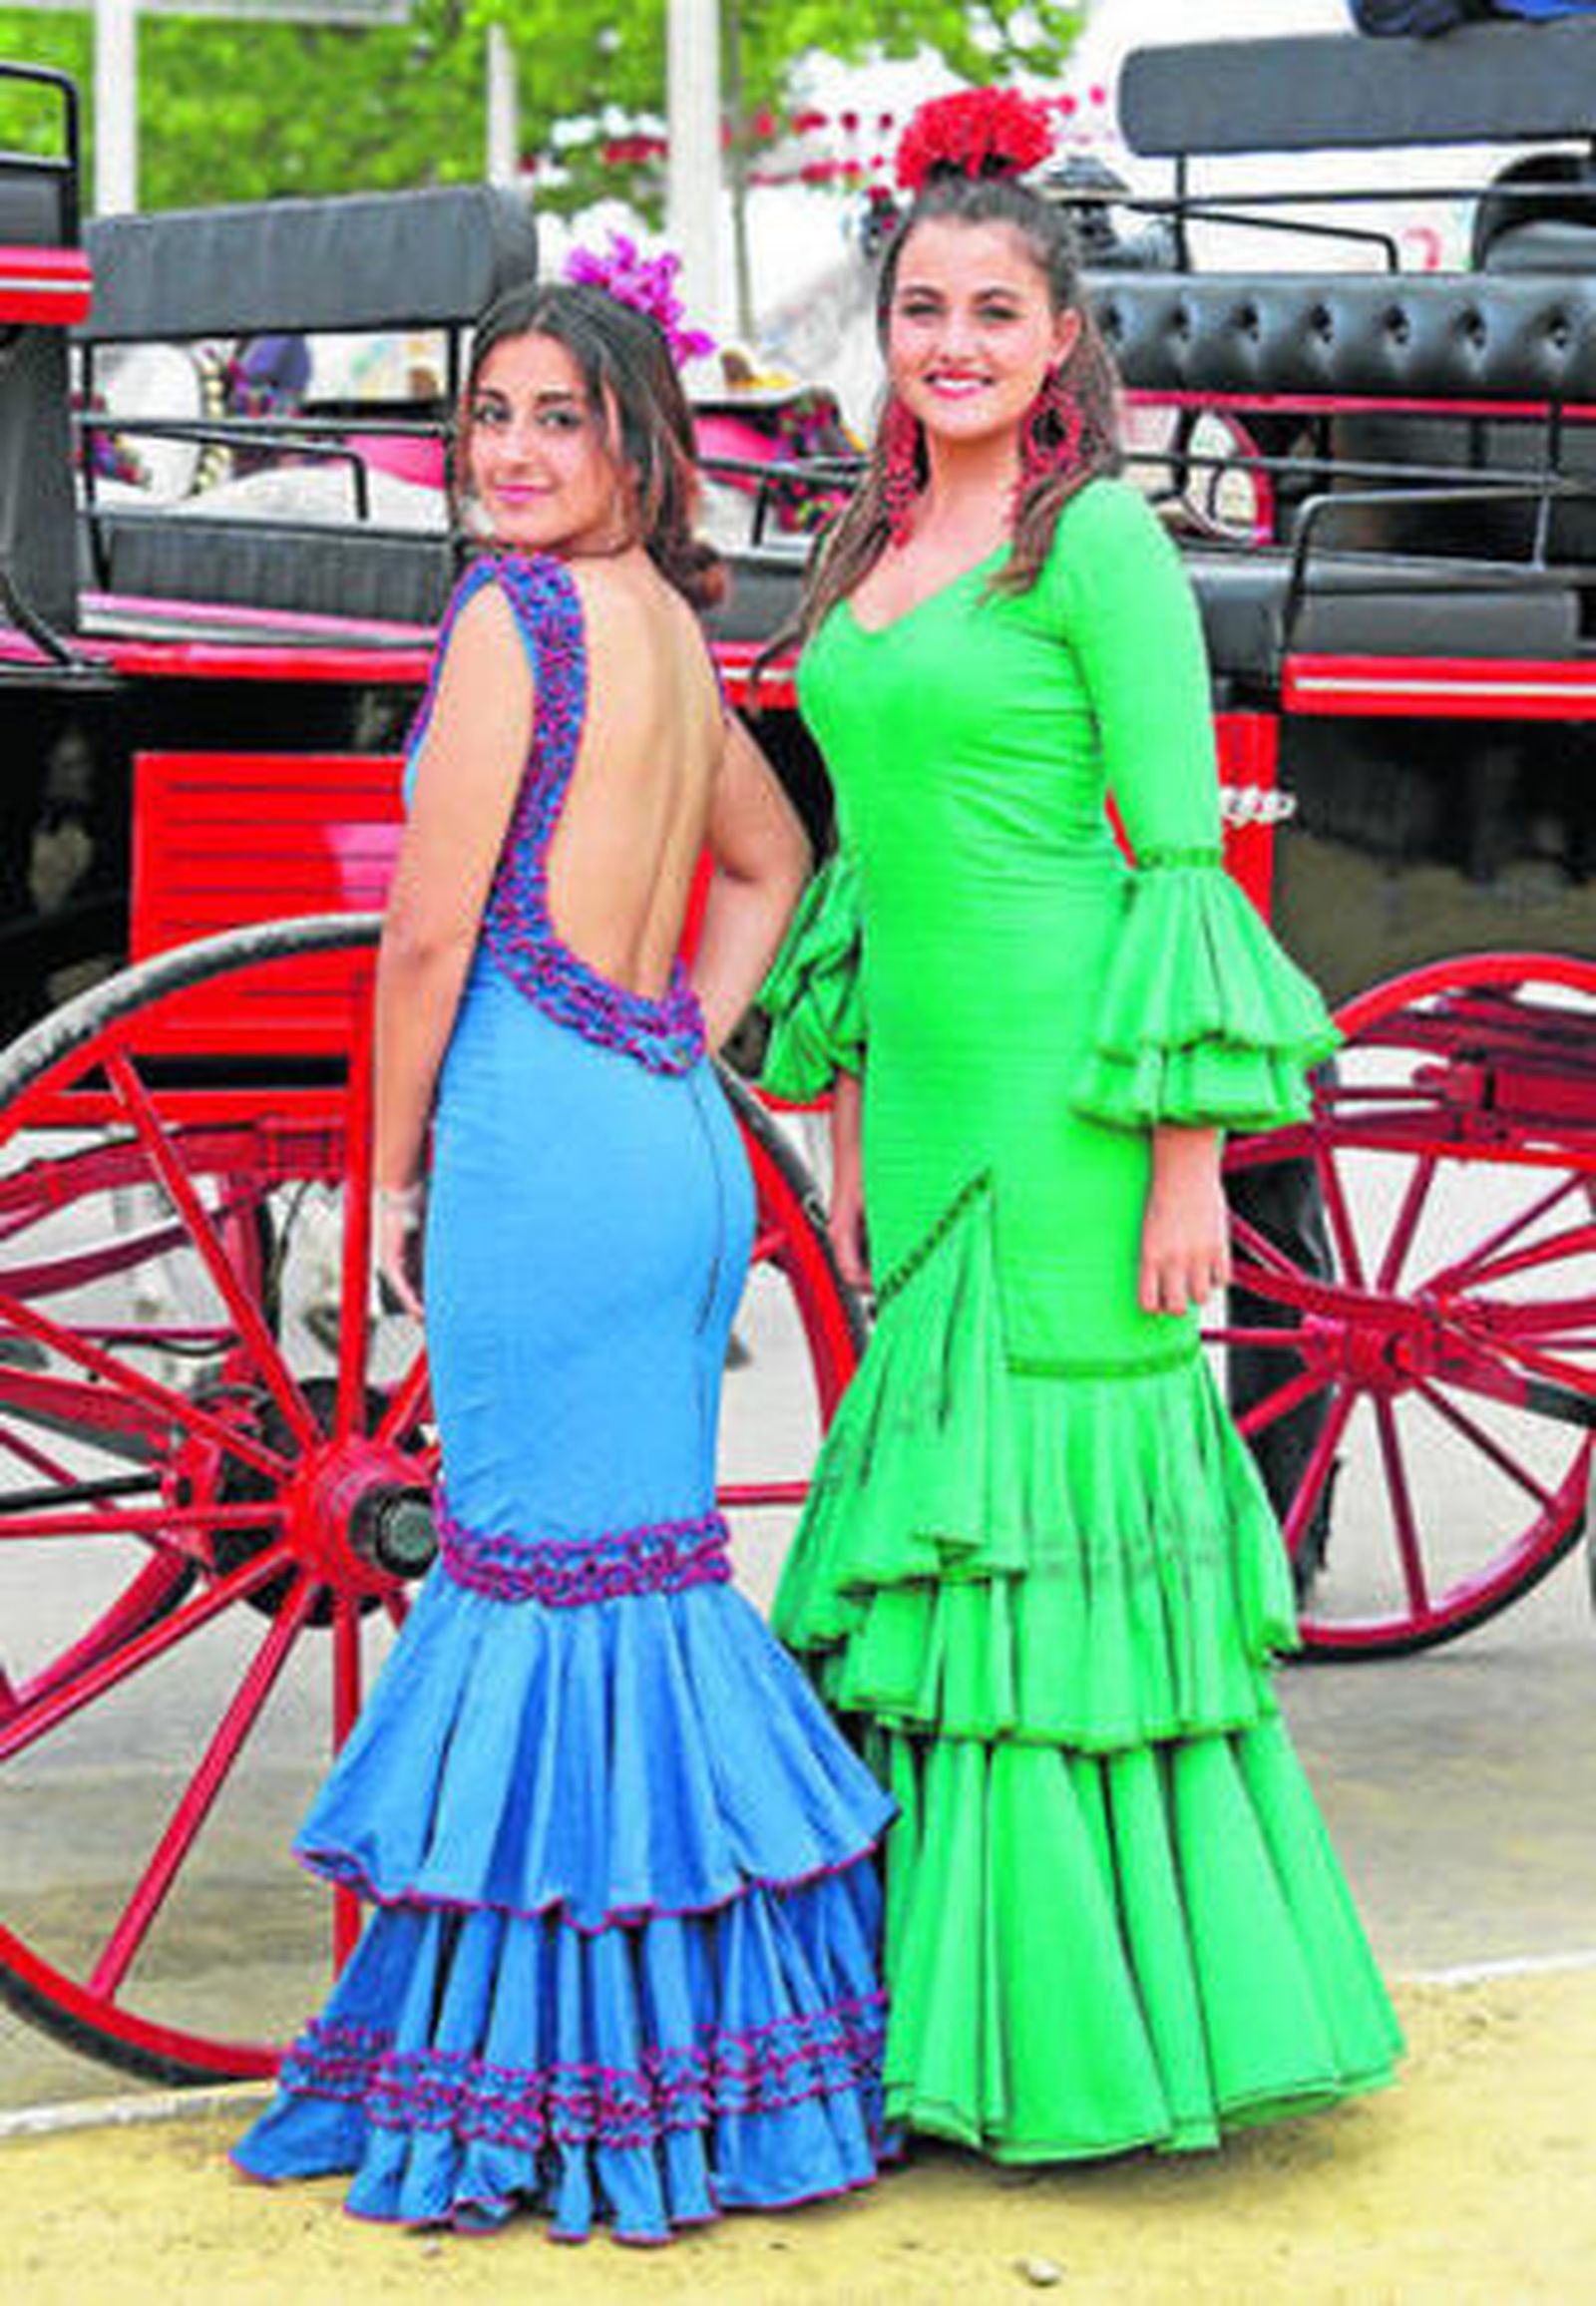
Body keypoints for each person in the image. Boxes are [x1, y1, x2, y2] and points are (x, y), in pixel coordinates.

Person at [758, 88, 1403, 2165]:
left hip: (1073, 1110)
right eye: (920, 308)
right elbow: (862, 862)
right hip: (928, 1111)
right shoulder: (867, 546)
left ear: (1057, 347)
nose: (949, 341)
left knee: (1052, 1550)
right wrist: (844, 1122)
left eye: (990, 312)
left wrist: (1192, 1165)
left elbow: (1172, 866)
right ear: (890, 330)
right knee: (940, 1556)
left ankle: (1099, 2032)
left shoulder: (1094, 542)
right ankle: (934, 2007)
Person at [232, 278, 894, 2242]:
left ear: (632, 443)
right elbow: (776, 867)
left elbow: (427, 942)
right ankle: (710, 2079)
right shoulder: (674, 635)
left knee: (537, 1592)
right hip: (669, 1143)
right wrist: (679, 1030)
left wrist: (377, 1180)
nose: (511, 455)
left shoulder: (511, 620)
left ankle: (553, 2094)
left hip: (544, 1132)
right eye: (489, 418)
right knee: (642, 1595)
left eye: (556, 418)